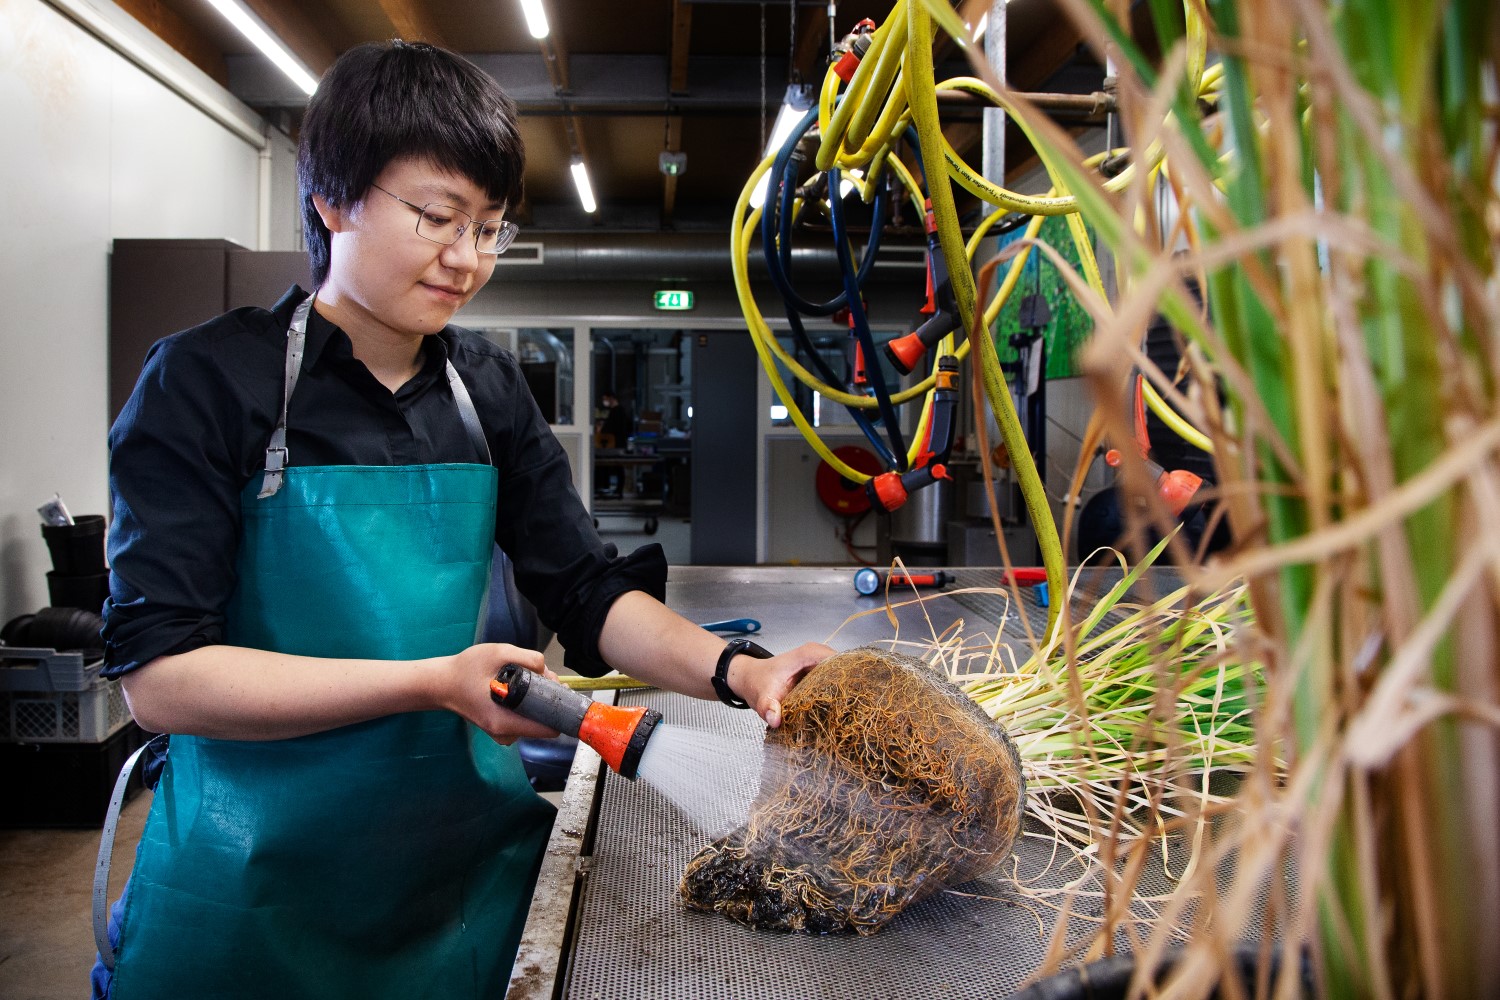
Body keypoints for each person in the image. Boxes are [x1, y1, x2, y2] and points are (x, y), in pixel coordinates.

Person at [93, 40, 829, 999]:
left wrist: (743, 671)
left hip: (456, 884)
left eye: (489, 229)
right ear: (332, 199)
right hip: (252, 891)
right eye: (438, 217)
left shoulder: (487, 390)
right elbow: (163, 679)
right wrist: (432, 682)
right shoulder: (206, 383)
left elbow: (586, 589)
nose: (467, 259)